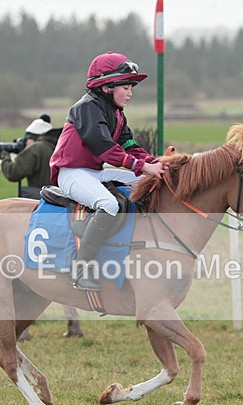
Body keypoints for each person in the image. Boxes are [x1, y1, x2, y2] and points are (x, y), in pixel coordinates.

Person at [49, 51, 166, 291]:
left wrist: (156, 163)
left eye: (131, 87)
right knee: (110, 204)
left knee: (147, 180)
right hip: (71, 173)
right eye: (126, 87)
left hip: (94, 173)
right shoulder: (87, 108)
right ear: (107, 87)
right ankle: (81, 270)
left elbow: (129, 146)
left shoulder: (116, 113)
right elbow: (105, 148)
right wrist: (142, 165)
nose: (130, 93)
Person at [2, 115, 84, 339]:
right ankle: (74, 323)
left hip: (38, 211)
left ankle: (23, 329)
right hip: (65, 211)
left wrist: (4, 157)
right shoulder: (63, 144)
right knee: (61, 267)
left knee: (29, 269)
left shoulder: (36, 149)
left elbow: (14, 173)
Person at [0, 114, 61, 200]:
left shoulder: (36, 148)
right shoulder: (58, 146)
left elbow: (13, 173)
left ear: (30, 139)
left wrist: (4, 155)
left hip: (41, 201)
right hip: (59, 200)